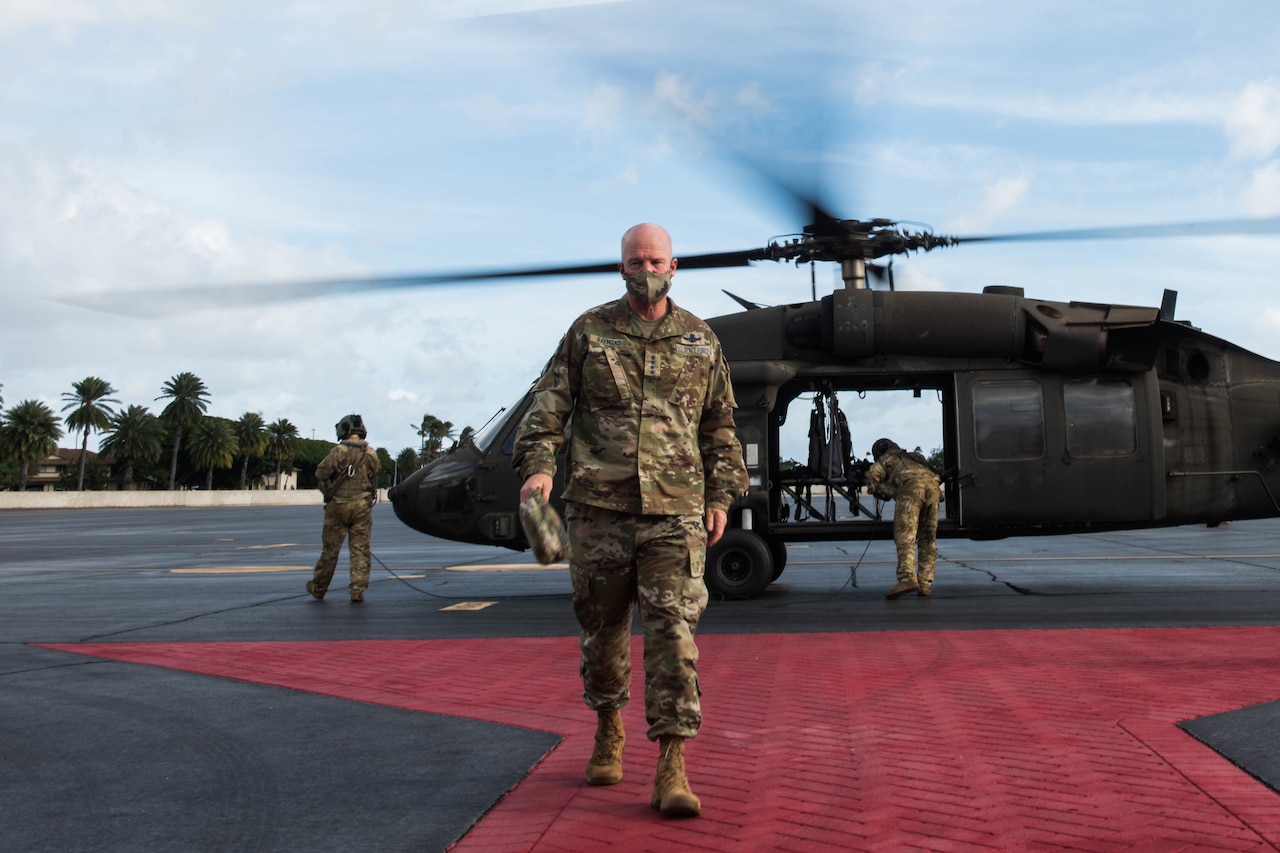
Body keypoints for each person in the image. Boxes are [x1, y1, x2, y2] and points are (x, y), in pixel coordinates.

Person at [513, 222, 748, 819]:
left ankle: (672, 764)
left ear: (675, 266)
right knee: (604, 633)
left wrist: (721, 496)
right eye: (636, 261)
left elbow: (721, 426)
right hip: (599, 512)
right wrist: (539, 469)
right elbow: (548, 408)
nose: (646, 269)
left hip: (676, 512)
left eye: (656, 260)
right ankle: (607, 726)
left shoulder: (700, 340)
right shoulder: (587, 333)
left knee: (674, 633)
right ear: (622, 268)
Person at [308, 414, 381, 603]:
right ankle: (357, 590)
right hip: (362, 507)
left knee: (330, 550)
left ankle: (319, 588)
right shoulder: (371, 453)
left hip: (338, 506)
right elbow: (374, 474)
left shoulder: (338, 451)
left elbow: (321, 473)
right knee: (360, 550)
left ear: (345, 430)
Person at [866, 438, 942, 599]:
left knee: (905, 536)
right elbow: (934, 472)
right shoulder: (915, 456)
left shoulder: (885, 460)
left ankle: (907, 578)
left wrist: (886, 491)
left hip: (910, 490)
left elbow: (872, 476)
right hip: (933, 489)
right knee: (928, 538)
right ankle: (925, 583)